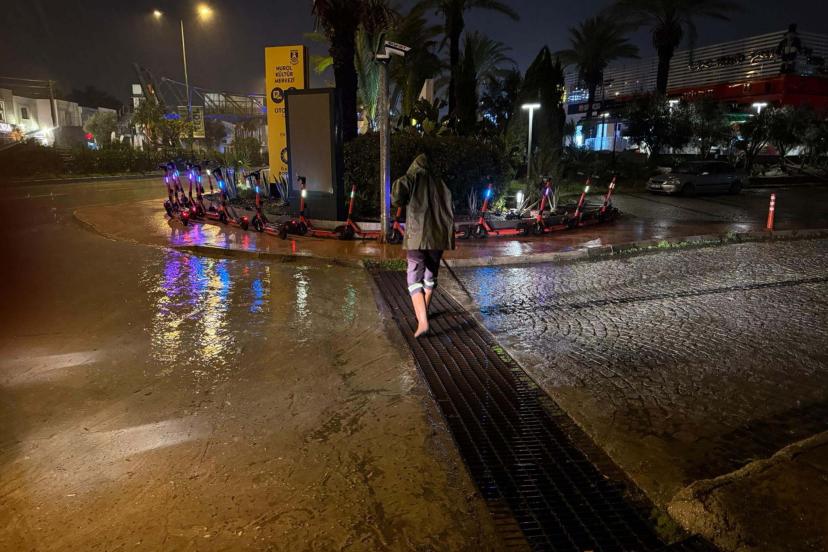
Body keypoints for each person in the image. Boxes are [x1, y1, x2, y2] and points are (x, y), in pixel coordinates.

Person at [392, 154, 455, 338]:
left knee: (413, 278)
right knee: (430, 275)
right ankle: (423, 312)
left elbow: (396, 198)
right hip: (438, 237)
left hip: (417, 236)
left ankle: (423, 322)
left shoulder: (412, 177)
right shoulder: (441, 182)